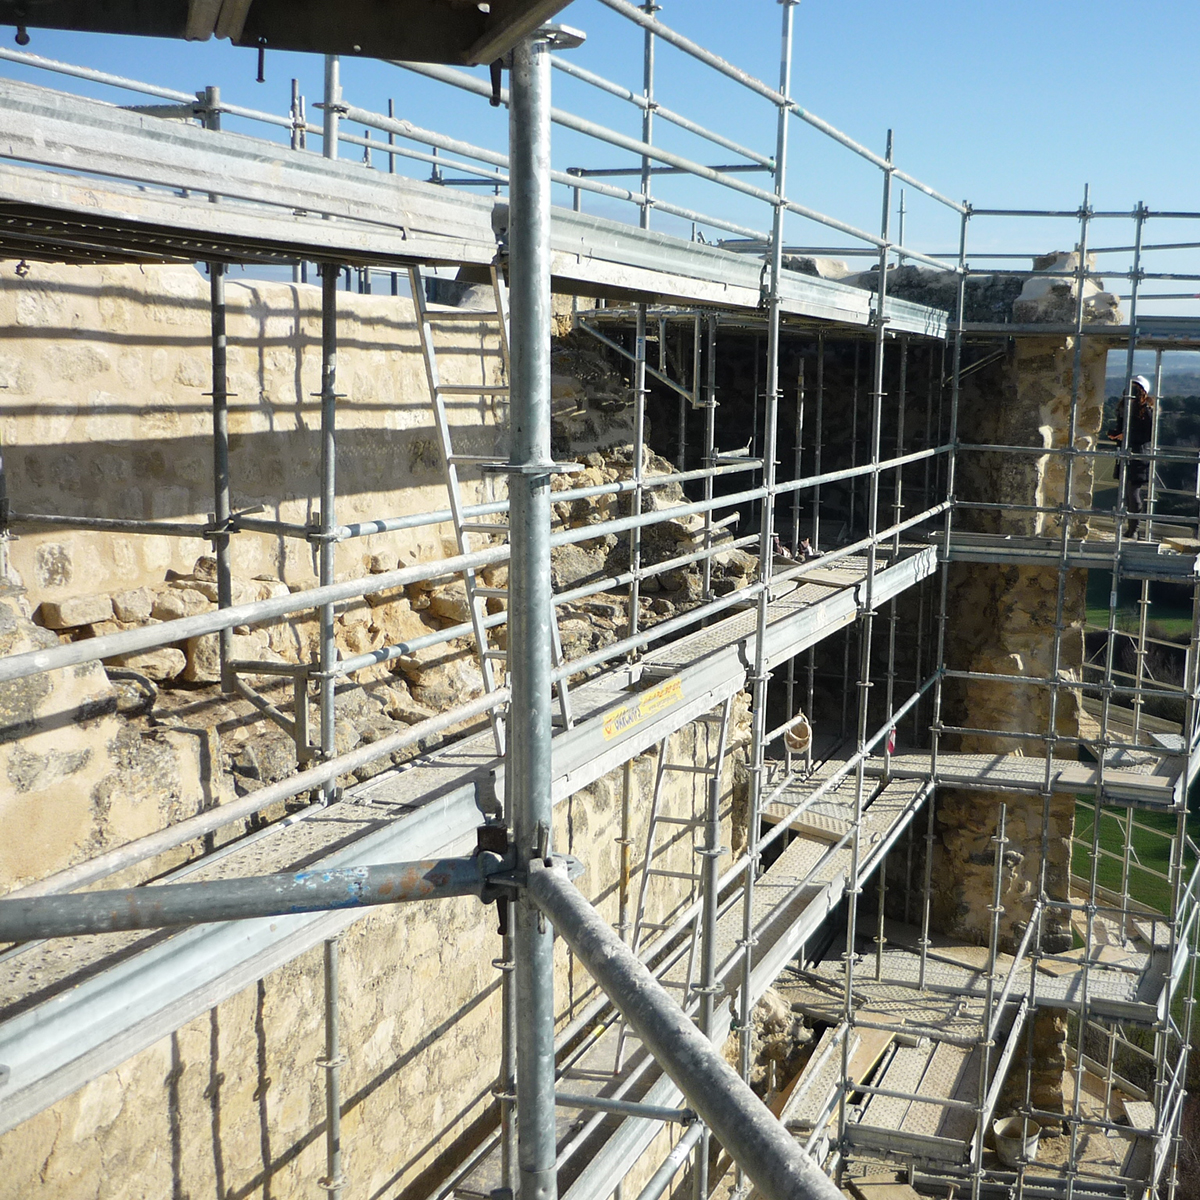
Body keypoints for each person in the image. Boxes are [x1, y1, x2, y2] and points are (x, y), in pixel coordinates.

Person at [1107, 374, 1155, 538]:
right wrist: (1116, 434)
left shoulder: (1147, 411)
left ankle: (1133, 529)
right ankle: (1130, 528)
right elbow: (1122, 427)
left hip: (1139, 455)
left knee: (1132, 492)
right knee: (1127, 493)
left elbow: (1148, 435)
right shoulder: (1124, 408)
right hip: (1125, 453)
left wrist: (1126, 435)